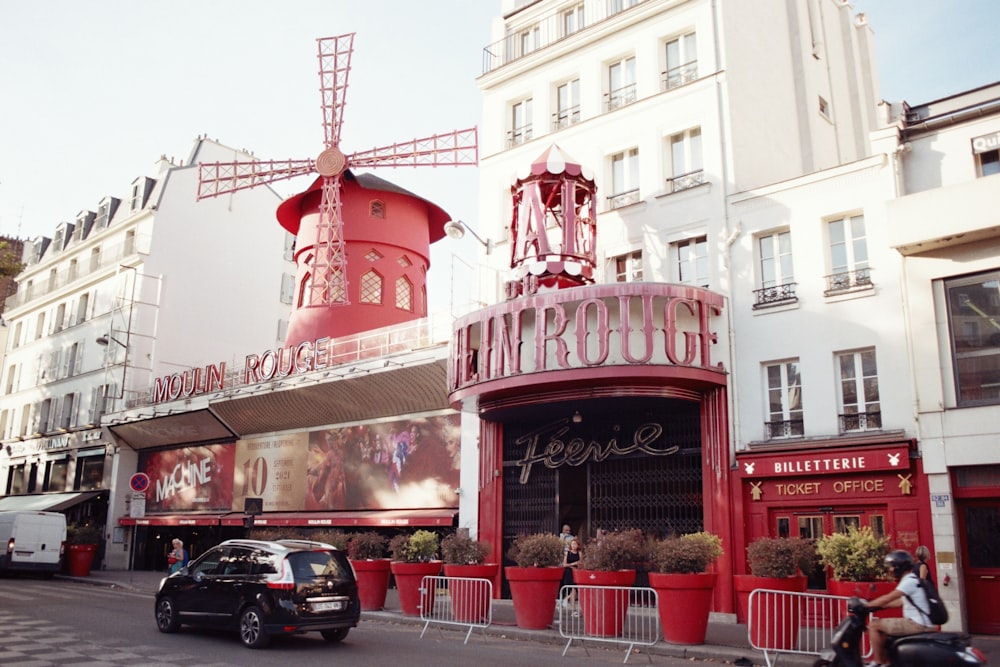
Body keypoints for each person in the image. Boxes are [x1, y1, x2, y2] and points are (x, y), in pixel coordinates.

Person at [866, 550, 936, 667]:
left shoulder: (908, 581)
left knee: (874, 625)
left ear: (899, 567)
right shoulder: (913, 579)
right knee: (882, 629)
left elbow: (888, 598)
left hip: (916, 624)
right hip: (923, 622)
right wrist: (880, 607)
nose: (890, 570)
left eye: (892, 567)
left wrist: (866, 606)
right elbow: (900, 602)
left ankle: (878, 662)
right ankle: (886, 662)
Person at [561, 538, 581, 608]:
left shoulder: (579, 553)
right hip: (568, 572)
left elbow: (581, 563)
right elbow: (564, 564)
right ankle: (571, 606)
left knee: (574, 590)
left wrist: (578, 566)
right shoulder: (567, 553)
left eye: (575, 544)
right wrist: (573, 564)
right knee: (571, 589)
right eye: (572, 544)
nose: (573, 545)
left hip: (576, 572)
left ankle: (565, 601)